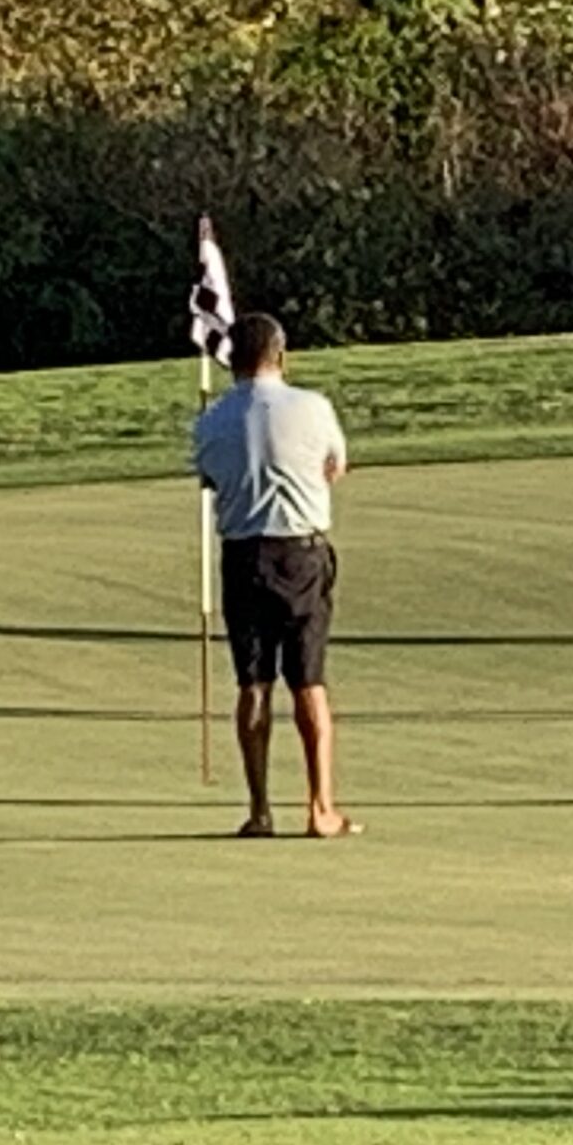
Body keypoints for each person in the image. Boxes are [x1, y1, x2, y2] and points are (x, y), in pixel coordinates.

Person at [191, 313, 358, 840]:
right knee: (309, 682)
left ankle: (260, 811)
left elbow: (210, 478)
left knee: (253, 683)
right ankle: (320, 808)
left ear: (230, 361)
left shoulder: (211, 419)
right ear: (280, 355)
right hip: (302, 553)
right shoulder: (313, 406)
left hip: (243, 555)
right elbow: (336, 467)